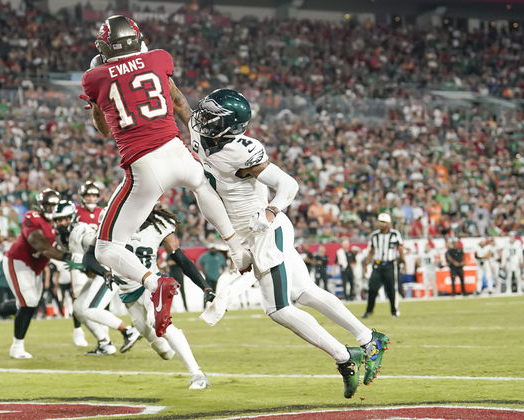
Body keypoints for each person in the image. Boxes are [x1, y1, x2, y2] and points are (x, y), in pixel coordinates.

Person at [190, 88, 389, 399]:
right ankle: (368, 339)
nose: (201, 119)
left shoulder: (242, 150)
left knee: (279, 308)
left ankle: (346, 357)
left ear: (228, 126)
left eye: (211, 116)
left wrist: (270, 210)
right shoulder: (199, 131)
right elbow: (177, 102)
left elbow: (288, 184)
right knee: (303, 292)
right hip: (250, 233)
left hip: (265, 229)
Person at [79, 16, 251, 332]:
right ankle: (237, 247)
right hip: (176, 149)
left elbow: (103, 129)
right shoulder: (159, 58)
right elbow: (180, 101)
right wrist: (196, 138)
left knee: (106, 249)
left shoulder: (95, 78)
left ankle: (154, 282)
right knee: (201, 184)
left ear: (104, 46)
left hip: (144, 164)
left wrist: (93, 106)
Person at [111, 205, 211, 389]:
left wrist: (204, 286)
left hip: (152, 283)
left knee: (159, 321)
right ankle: (171, 347)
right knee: (164, 351)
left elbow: (180, 258)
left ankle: (197, 374)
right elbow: (91, 255)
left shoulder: (159, 225)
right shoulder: (111, 220)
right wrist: (103, 270)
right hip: (127, 291)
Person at [0, 188, 76, 359]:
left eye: (54, 205)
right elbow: (42, 247)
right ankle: (17, 347)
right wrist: (71, 257)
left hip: (36, 267)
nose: (51, 209)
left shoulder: (60, 223)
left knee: (25, 303)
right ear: (41, 205)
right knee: (28, 302)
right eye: (48, 205)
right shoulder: (33, 218)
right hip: (18, 262)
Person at [53, 200, 141, 356]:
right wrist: (83, 266)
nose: (61, 223)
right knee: (78, 309)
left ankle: (128, 331)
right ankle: (105, 344)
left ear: (72, 217)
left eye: (64, 219)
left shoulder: (81, 231)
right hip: (96, 273)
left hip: (106, 270)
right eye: (58, 220)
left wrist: (82, 263)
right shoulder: (62, 238)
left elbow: (99, 251)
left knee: (91, 309)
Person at [362, 213, 404, 318]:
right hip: (377, 264)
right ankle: (369, 311)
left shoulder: (395, 234)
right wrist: (366, 265)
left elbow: (400, 249)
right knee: (372, 288)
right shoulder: (374, 235)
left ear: (389, 223)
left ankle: (394, 311)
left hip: (390, 265)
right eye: (380, 221)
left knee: (391, 289)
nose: (382, 224)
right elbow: (371, 251)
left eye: (384, 222)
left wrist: (403, 261)